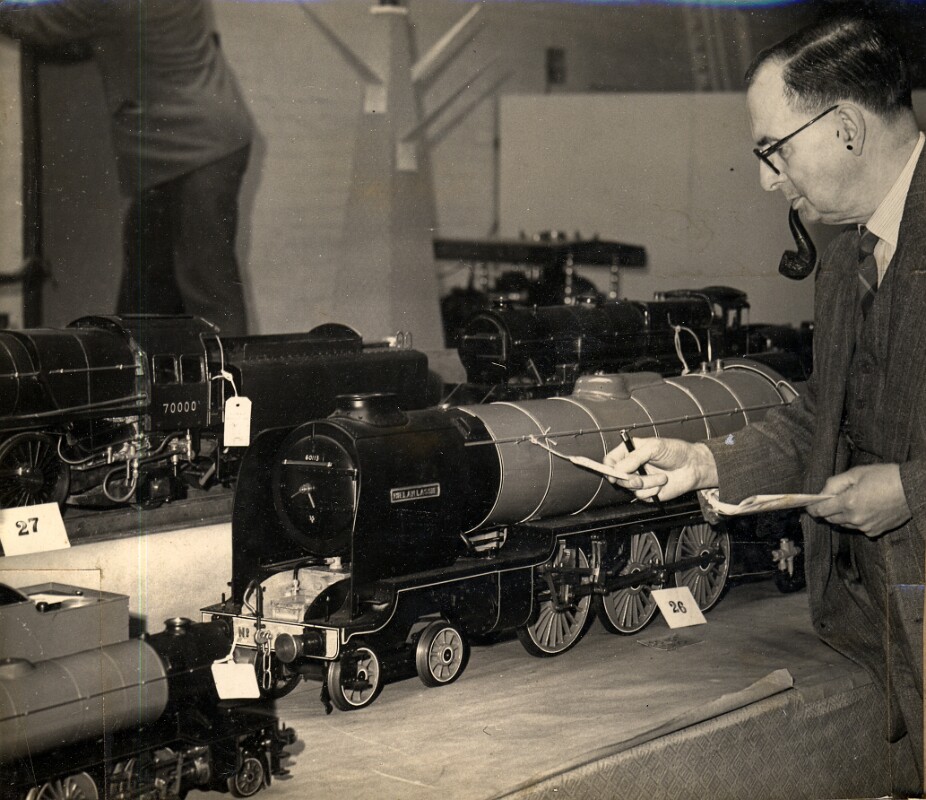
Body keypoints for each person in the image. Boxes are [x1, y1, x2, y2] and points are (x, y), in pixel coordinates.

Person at [605, 15, 924, 789]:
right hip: (890, 623)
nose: (767, 178)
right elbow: (832, 408)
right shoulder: (848, 247)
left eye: (772, 149)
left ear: (844, 127)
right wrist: (708, 460)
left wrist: (912, 489)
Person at [0, 0, 254, 335]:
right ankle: (144, 379)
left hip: (198, 150)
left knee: (206, 290)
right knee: (145, 292)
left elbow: (36, 23)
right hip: (193, 145)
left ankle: (232, 383)